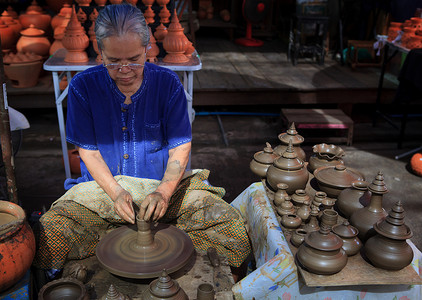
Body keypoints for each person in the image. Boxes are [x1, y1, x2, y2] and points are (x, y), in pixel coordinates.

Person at [33, 3, 251, 283]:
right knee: (50, 230)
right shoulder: (82, 88)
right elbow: (87, 150)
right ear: (100, 53)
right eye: (113, 60)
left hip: (160, 194)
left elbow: (180, 147)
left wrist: (164, 192)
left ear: (147, 49)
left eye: (134, 59)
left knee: (227, 221)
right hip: (101, 194)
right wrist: (115, 193)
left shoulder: (168, 84)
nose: (124, 69)